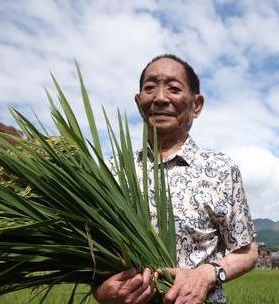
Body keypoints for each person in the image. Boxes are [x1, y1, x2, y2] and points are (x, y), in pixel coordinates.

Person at [94, 54, 257, 304]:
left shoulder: (221, 170)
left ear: (196, 104)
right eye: (150, 88)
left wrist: (205, 275)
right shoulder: (111, 171)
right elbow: (93, 255)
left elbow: (246, 251)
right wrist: (103, 291)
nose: (160, 98)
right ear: (139, 102)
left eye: (173, 88)